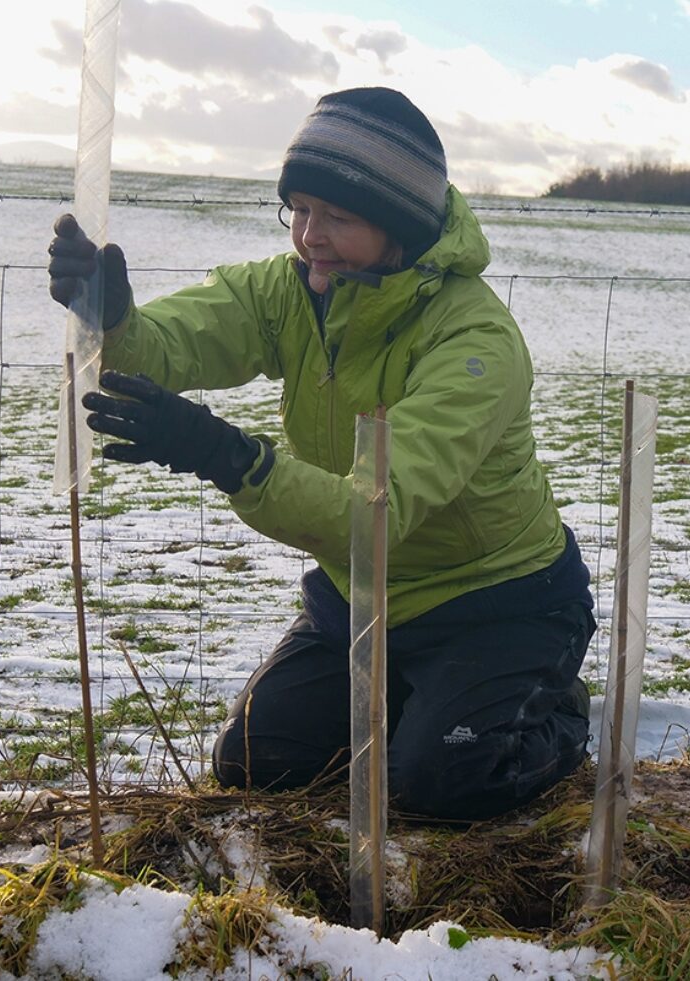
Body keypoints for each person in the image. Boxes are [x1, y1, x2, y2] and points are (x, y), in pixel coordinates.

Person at [47, 87, 594, 821]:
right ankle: (421, 702)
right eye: (300, 209)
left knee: (445, 779)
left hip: (496, 605)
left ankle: (553, 713)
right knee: (254, 760)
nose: (310, 236)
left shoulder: (474, 343)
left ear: (399, 225)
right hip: (361, 602)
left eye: (338, 216)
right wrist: (113, 316)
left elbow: (373, 515)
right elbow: (174, 342)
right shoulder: (294, 291)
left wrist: (228, 455)